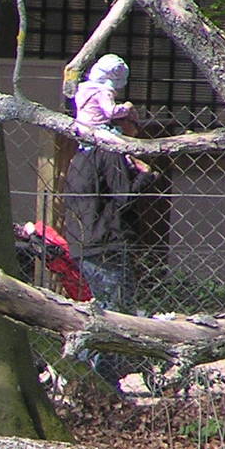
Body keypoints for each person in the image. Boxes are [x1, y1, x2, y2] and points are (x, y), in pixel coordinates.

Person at [63, 53, 149, 385]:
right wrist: (145, 174)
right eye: (134, 125)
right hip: (108, 244)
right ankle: (100, 383)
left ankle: (86, 378)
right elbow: (124, 197)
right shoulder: (109, 153)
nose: (136, 132)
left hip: (83, 242)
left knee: (100, 312)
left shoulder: (78, 157)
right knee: (115, 315)